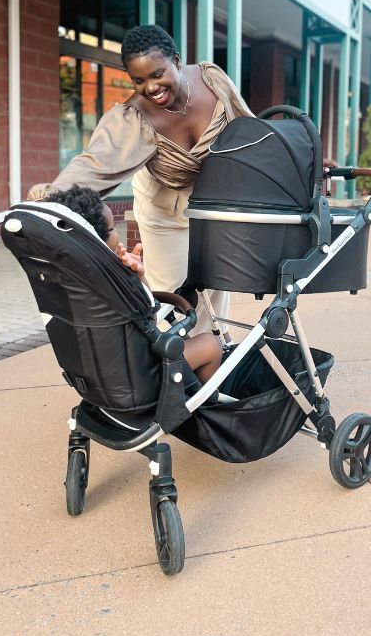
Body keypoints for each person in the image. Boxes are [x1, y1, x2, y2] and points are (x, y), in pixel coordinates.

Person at [30, 24, 255, 330]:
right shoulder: (133, 118)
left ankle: (213, 358)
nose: (150, 88)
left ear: (176, 61)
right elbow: (91, 165)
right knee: (175, 301)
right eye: (139, 80)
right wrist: (47, 203)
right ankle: (181, 366)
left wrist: (298, 157)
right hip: (166, 211)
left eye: (157, 74)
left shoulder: (211, 79)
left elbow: (250, 129)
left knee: (215, 288)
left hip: (215, 203)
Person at [44, 185, 222, 384]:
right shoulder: (113, 278)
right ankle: (202, 404)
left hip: (93, 374)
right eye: (111, 228)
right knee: (209, 345)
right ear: (94, 237)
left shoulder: (63, 281)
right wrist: (138, 277)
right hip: (137, 373)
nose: (116, 233)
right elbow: (150, 318)